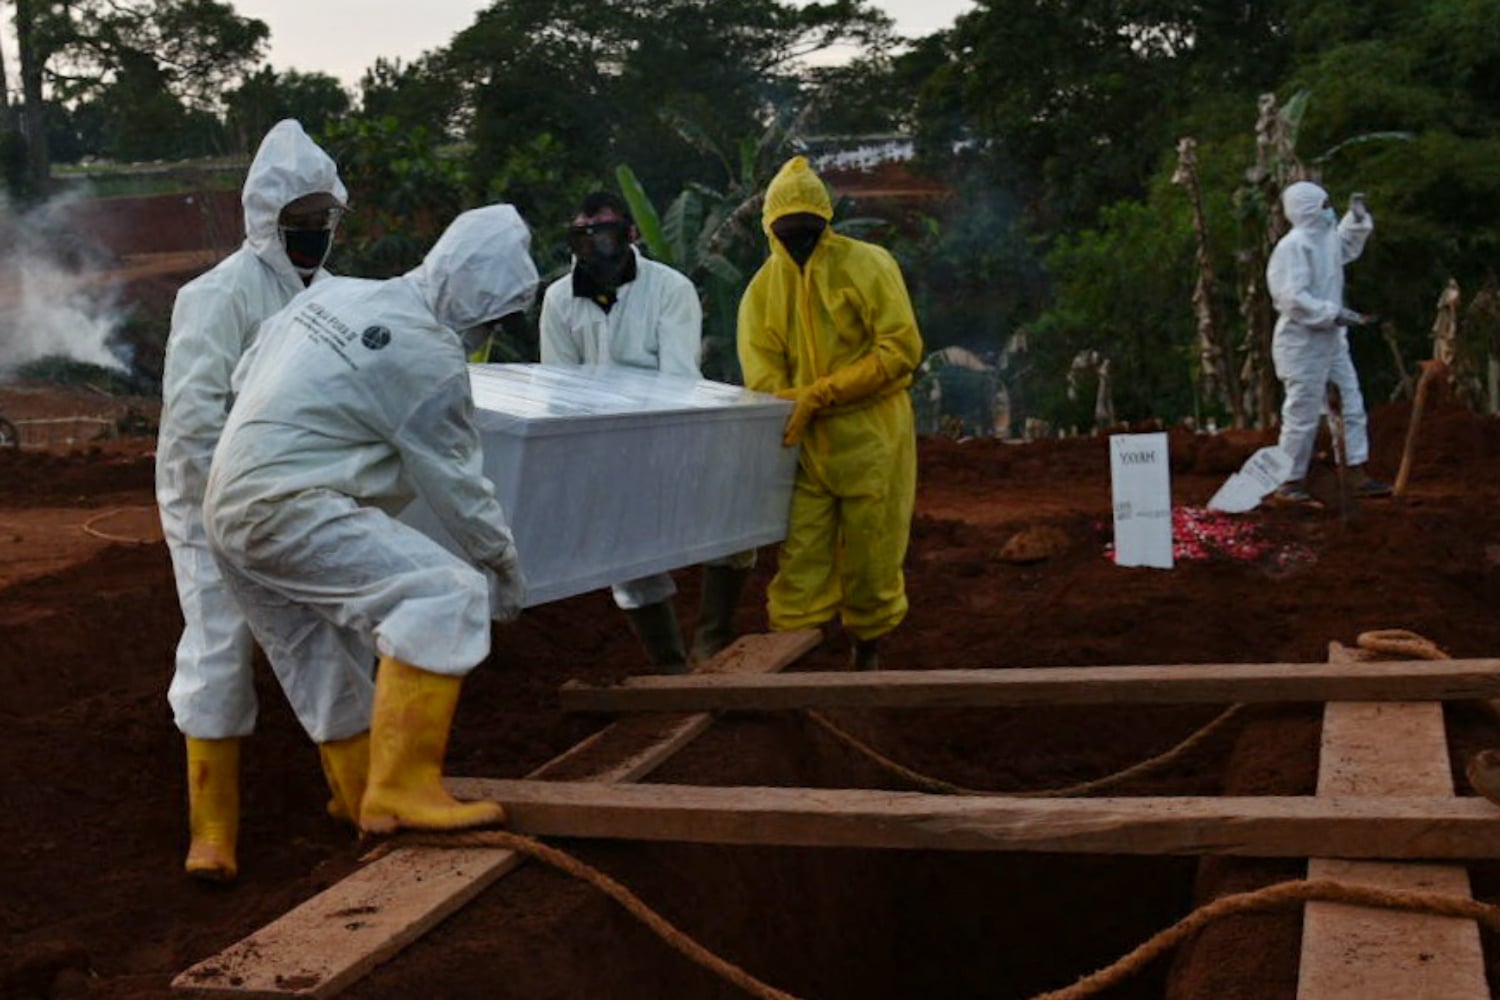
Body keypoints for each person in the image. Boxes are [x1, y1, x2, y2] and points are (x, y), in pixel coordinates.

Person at [203, 204, 539, 841]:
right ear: (480, 303)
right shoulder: (430, 355)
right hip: (288, 506)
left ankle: (361, 800)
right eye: (494, 319)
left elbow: (247, 372)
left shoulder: (338, 295)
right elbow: (459, 485)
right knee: (446, 594)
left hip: (226, 502)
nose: (489, 331)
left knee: (321, 658)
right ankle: (402, 788)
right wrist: (501, 566)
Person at [156, 118, 357, 881]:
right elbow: (194, 417)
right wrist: (229, 501)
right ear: (267, 217)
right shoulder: (216, 296)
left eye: (324, 219)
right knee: (219, 637)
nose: (313, 233)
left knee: (334, 633)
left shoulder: (336, 298)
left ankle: (353, 793)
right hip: (214, 503)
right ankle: (212, 829)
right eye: (299, 219)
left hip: (303, 495)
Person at [539, 191, 754, 673]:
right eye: (583, 235)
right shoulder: (559, 299)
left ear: (631, 233)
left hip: (673, 435)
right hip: (601, 448)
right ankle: (670, 669)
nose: (594, 244)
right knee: (628, 559)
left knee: (734, 524)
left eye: (605, 232)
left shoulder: (669, 289)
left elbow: (677, 378)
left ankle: (711, 642)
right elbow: (559, 386)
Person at [737, 156, 923, 670]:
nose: (799, 240)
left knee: (873, 556)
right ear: (770, 229)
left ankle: (867, 657)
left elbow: (900, 349)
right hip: (805, 450)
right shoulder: (761, 292)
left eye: (808, 228)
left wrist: (822, 393)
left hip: (873, 439)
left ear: (826, 220)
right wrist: (794, 406)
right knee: (800, 564)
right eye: (787, 230)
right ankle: (800, 670)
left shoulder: (868, 265)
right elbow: (764, 380)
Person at [1267, 180, 1391, 502]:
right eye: (1324, 205)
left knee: (1351, 403)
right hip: (1302, 343)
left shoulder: (1325, 239)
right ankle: (1289, 481)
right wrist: (1332, 313)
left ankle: (1354, 471)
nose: (1329, 211)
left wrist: (1357, 219)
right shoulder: (1293, 247)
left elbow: (1346, 246)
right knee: (1302, 413)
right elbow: (1291, 298)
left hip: (1332, 340)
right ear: (1307, 209)